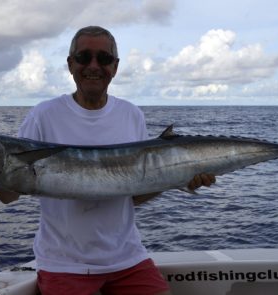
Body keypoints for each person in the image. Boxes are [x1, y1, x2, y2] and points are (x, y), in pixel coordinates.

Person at [18, 26, 215, 295]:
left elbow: (133, 194)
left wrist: (179, 179)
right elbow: (11, 190)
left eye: (104, 59)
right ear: (70, 63)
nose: (94, 66)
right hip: (65, 263)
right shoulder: (43, 115)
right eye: (84, 57)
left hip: (128, 257)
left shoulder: (131, 114)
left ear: (116, 66)